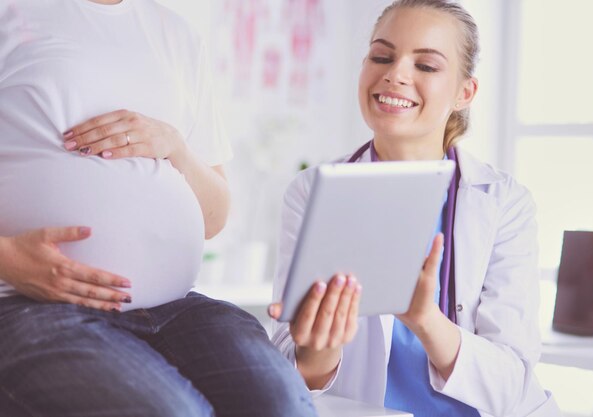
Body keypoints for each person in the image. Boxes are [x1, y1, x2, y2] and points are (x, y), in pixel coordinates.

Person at [0, 1, 316, 416]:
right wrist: (9, 260)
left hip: (176, 309)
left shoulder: (177, 36)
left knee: (282, 408)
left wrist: (176, 148)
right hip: (33, 306)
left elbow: (215, 218)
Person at [269, 0, 561, 416]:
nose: (395, 74)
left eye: (425, 66)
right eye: (381, 56)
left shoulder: (502, 202)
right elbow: (284, 374)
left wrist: (425, 319)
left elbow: (512, 384)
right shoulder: (312, 192)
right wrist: (319, 347)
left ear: (465, 92)